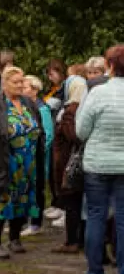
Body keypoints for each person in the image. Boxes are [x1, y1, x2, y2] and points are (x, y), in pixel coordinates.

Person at [0, 66, 42, 259]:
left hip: (27, 165)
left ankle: (14, 238)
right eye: (16, 82)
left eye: (22, 81)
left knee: (22, 201)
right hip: (1, 164)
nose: (20, 85)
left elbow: (38, 130)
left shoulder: (28, 103)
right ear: (4, 83)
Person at [76, 45, 124, 274]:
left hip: (97, 163)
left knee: (95, 216)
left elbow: (81, 131)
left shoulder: (97, 93)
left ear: (110, 65)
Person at [52, 68, 89, 252]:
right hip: (78, 162)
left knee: (72, 203)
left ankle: (72, 241)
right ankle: (78, 239)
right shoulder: (82, 107)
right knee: (80, 203)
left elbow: (73, 136)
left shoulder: (70, 110)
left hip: (69, 163)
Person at [23, 75, 53, 237]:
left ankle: (35, 223)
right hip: (26, 159)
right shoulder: (23, 106)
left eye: (25, 87)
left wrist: (34, 152)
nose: (22, 89)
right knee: (25, 191)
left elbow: (47, 136)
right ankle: (21, 221)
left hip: (38, 160)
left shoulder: (42, 109)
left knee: (35, 192)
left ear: (34, 89)